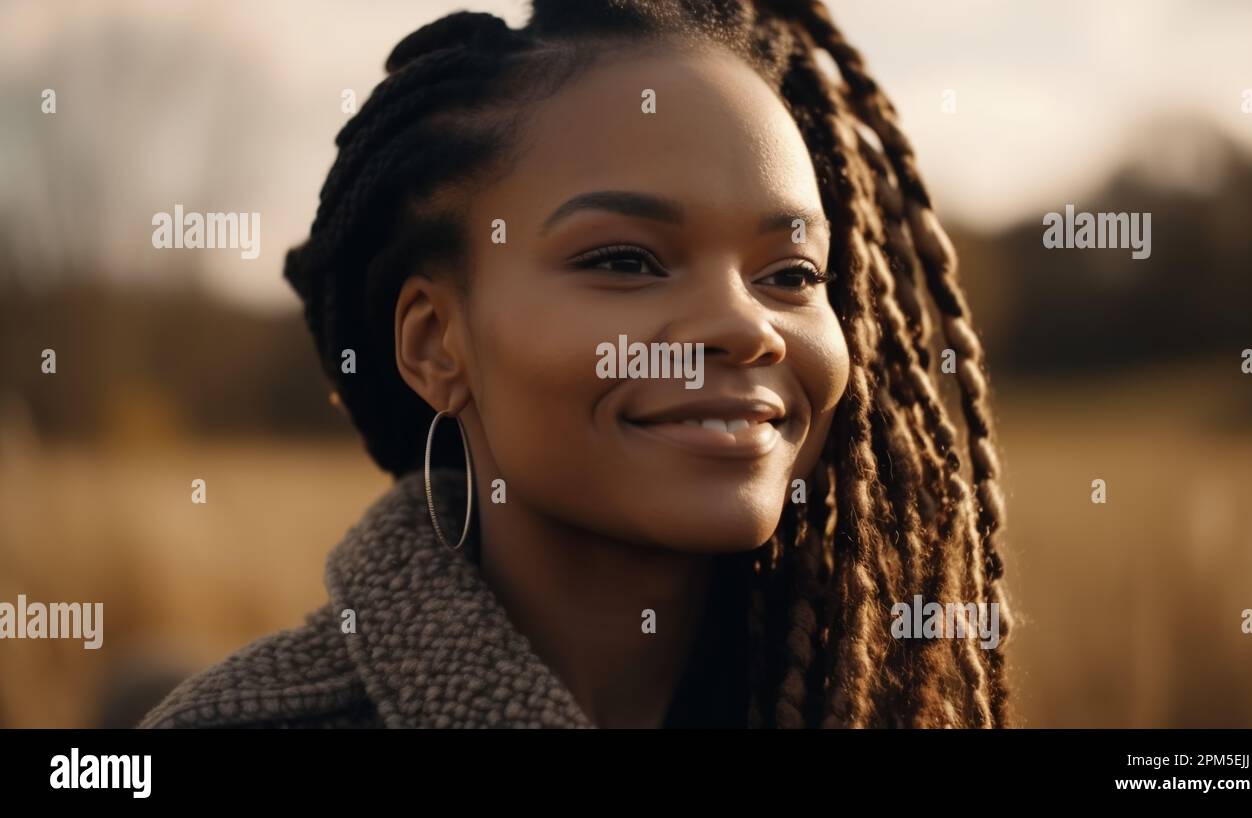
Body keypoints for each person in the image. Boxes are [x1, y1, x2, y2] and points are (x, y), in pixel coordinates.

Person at [140, 0, 1012, 730]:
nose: (747, 327)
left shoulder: (894, 694)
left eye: (791, 274)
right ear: (436, 344)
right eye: (625, 261)